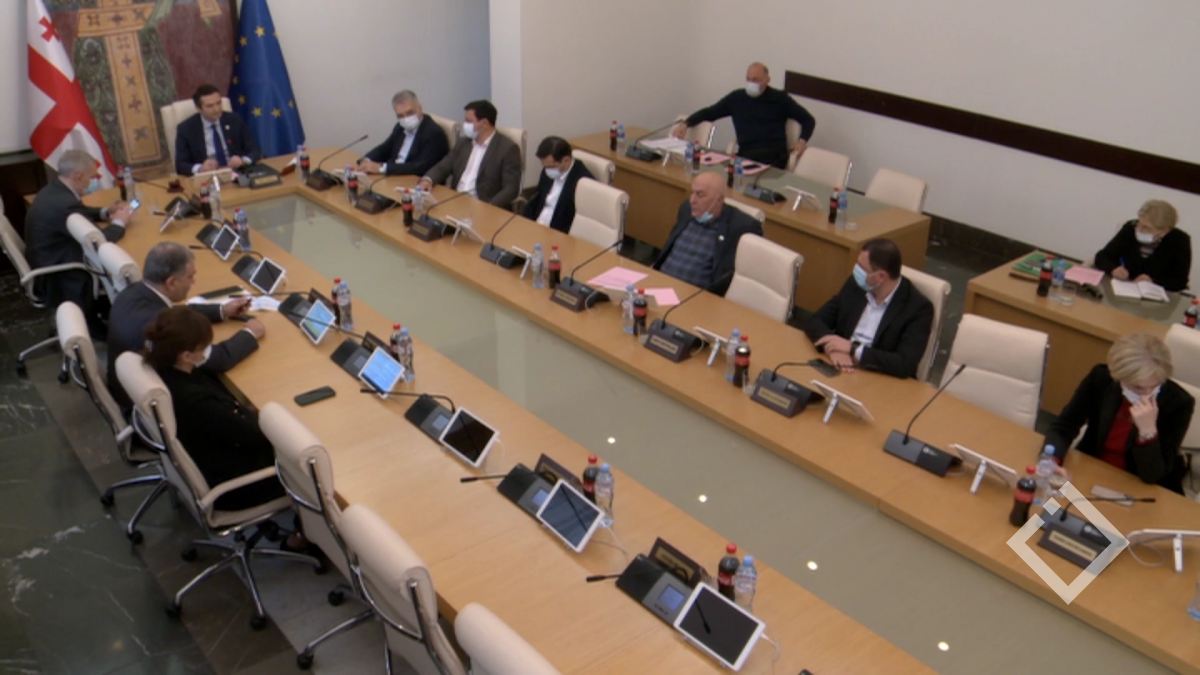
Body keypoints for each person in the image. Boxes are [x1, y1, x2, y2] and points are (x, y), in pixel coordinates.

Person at [141, 306, 285, 512]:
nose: (209, 351)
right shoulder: (197, 402)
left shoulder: (164, 368)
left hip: (211, 454)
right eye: (204, 347)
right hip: (239, 485)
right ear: (186, 356)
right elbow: (258, 436)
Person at [107, 242, 263, 411]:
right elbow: (218, 359)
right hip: (146, 403)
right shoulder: (161, 326)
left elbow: (176, 312)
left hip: (126, 385)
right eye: (190, 277)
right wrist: (250, 333)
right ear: (172, 282)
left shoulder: (132, 292)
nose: (193, 282)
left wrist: (222, 310)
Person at [1045, 333, 1193, 493]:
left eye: (1155, 386)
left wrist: (1148, 432)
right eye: (1137, 387)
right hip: (1090, 469)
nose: (1147, 395)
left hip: (1138, 486)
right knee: (1051, 505)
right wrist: (1051, 461)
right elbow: (1064, 426)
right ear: (1118, 377)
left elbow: (1152, 476)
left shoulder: (1179, 402)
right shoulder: (1101, 379)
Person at [25, 149, 132, 336]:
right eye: (92, 177)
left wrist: (105, 212)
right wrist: (119, 223)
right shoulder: (64, 204)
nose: (93, 181)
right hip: (61, 276)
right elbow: (99, 242)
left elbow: (79, 212)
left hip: (48, 260)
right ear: (79, 176)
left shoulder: (55, 191)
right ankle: (105, 326)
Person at [804, 239, 933, 378]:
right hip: (840, 368)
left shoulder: (918, 308)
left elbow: (904, 364)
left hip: (879, 377)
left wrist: (853, 349)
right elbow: (815, 320)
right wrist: (833, 347)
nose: (856, 271)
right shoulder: (856, 285)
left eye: (862, 268)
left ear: (881, 276)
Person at [674, 62, 816, 169]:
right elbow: (710, 112)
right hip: (746, 155)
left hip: (773, 158)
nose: (751, 83)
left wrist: (802, 141)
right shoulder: (737, 98)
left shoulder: (779, 99)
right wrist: (686, 124)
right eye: (748, 79)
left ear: (767, 80)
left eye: (755, 80)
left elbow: (808, 120)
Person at [652, 172, 762, 297]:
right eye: (692, 193)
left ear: (719, 200)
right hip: (660, 284)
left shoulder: (739, 227)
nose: (692, 200)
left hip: (693, 297)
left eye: (700, 195)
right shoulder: (687, 209)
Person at [418, 100, 522, 207]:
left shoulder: (507, 149)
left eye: (469, 121)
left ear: (484, 123)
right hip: (455, 200)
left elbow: (511, 188)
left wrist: (489, 207)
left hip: (483, 205)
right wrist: (427, 180)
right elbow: (443, 166)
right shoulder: (463, 142)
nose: (465, 125)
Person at [1093, 200, 1190, 292]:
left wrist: (1153, 281)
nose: (1139, 229)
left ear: (1164, 231)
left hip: (1157, 296)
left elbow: (1180, 282)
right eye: (1139, 224)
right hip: (1125, 288)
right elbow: (1102, 256)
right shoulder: (1130, 228)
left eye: (1146, 228)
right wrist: (1113, 269)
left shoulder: (1180, 241)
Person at [174, 84, 263, 177]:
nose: (216, 109)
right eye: (210, 106)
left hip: (237, 173)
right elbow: (180, 165)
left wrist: (243, 160)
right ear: (198, 108)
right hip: (207, 177)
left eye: (218, 103)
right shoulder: (186, 129)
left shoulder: (234, 120)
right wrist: (201, 168)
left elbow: (255, 150)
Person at [357, 90, 449, 177]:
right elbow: (384, 148)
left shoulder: (434, 133)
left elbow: (420, 167)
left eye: (410, 113)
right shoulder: (400, 127)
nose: (406, 119)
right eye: (400, 116)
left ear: (420, 109)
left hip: (414, 180)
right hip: (394, 177)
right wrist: (366, 160)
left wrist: (382, 168)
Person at [523, 136, 593, 234]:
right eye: (545, 166)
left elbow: (574, 223)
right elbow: (536, 200)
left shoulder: (583, 183)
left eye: (551, 167)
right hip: (536, 226)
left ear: (566, 160)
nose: (547, 170)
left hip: (557, 233)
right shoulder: (547, 170)